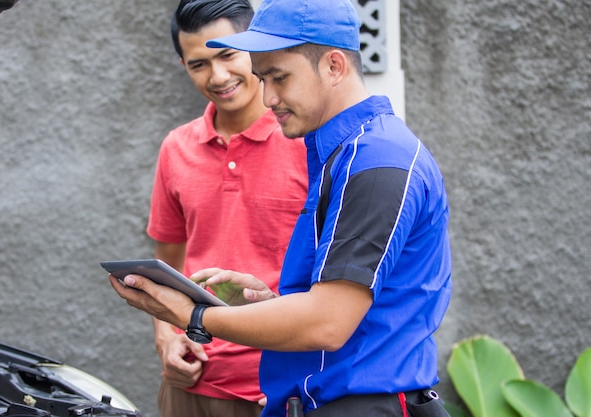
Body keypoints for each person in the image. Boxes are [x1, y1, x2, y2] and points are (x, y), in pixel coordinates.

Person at [112, 0, 452, 416]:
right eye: (263, 77)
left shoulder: (377, 162)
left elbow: (327, 323)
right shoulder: (341, 152)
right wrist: (265, 301)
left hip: (364, 403)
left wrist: (193, 315)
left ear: (333, 65)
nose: (268, 96)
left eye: (279, 77)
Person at [146, 1, 307, 416]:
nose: (217, 77)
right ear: (183, 64)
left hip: (286, 387)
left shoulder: (307, 142)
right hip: (194, 387)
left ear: (256, 48)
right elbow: (169, 260)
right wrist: (165, 336)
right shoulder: (176, 148)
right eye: (198, 64)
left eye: (228, 55)